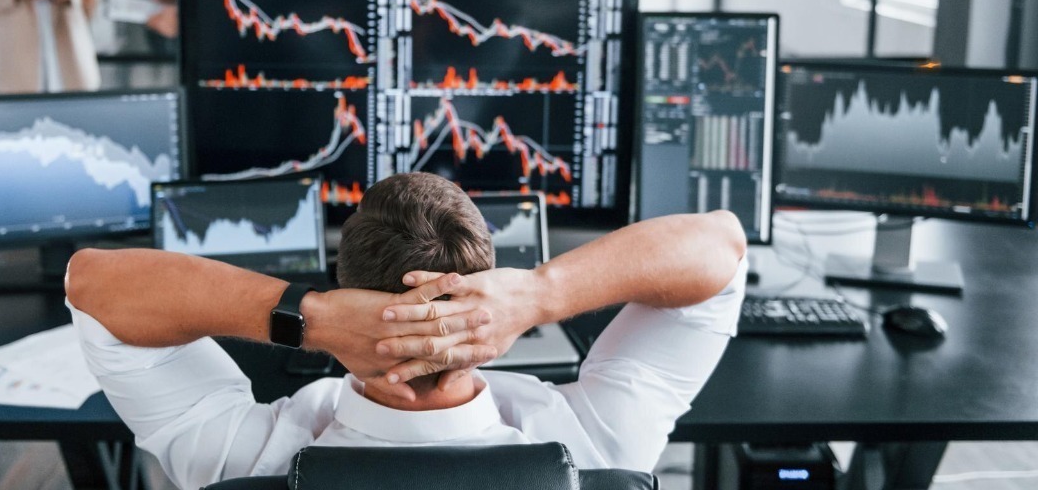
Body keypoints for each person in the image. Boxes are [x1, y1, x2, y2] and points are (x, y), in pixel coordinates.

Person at [66, 172, 747, 489]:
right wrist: (541, 294)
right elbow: (722, 247)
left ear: (347, 287)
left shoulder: (243, 460)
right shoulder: (598, 447)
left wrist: (311, 317)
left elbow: (91, 285)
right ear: (488, 284)